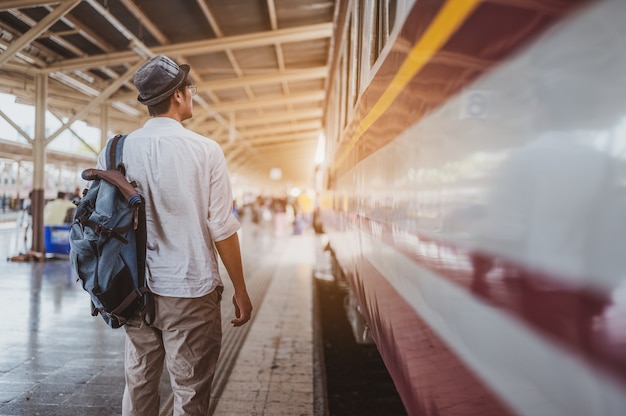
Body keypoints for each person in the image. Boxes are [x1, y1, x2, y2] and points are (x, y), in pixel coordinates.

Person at [95, 55, 253, 416]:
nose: (192, 96)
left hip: (134, 290)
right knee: (190, 392)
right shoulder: (206, 151)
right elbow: (221, 227)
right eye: (190, 89)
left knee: (139, 384)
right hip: (190, 289)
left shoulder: (115, 149)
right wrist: (240, 288)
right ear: (179, 96)